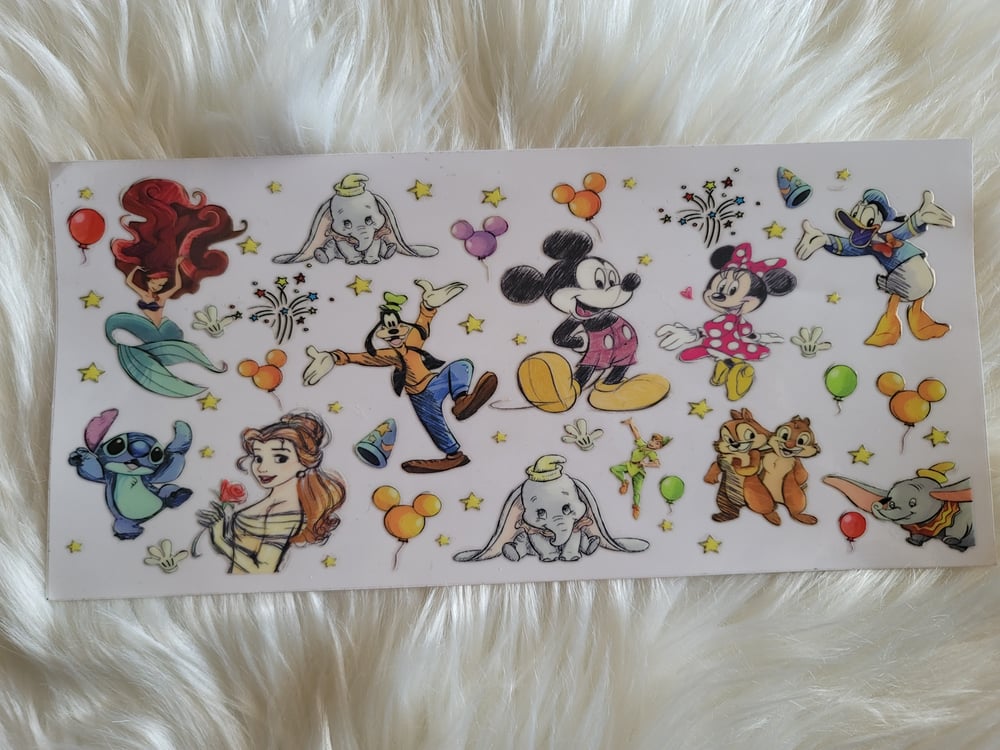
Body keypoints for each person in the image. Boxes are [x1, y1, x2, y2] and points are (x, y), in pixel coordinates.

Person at [302, 280, 497, 474]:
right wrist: (333, 357)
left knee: (462, 365)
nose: (394, 331)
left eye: (397, 325)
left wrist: (428, 305)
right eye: (386, 328)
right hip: (421, 397)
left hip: (434, 383)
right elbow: (359, 357)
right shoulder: (389, 355)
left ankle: (462, 401)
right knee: (436, 426)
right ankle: (454, 456)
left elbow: (423, 321)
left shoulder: (413, 340)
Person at [196, 412, 345, 574]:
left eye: (280, 458)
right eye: (258, 458)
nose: (262, 468)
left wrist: (221, 541)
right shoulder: (274, 503)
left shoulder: (285, 512)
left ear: (304, 462)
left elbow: (263, 569)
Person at [610, 418, 668, 520]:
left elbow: (657, 464)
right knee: (614, 469)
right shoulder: (642, 445)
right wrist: (631, 424)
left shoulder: (651, 453)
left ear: (659, 447)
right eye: (653, 440)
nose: (653, 443)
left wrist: (646, 464)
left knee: (636, 491)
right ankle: (624, 482)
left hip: (638, 471)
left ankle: (636, 507)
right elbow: (636, 433)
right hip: (630, 465)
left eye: (656, 443)